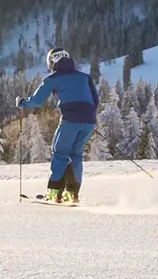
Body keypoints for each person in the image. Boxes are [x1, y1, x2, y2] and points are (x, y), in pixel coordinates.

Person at [17, 48, 100, 204]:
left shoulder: (53, 78)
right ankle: (73, 193)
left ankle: (55, 192)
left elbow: (37, 100)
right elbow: (95, 100)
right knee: (76, 155)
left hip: (70, 120)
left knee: (60, 152)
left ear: (51, 62)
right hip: (88, 121)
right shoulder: (84, 77)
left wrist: (22, 103)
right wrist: (86, 118)